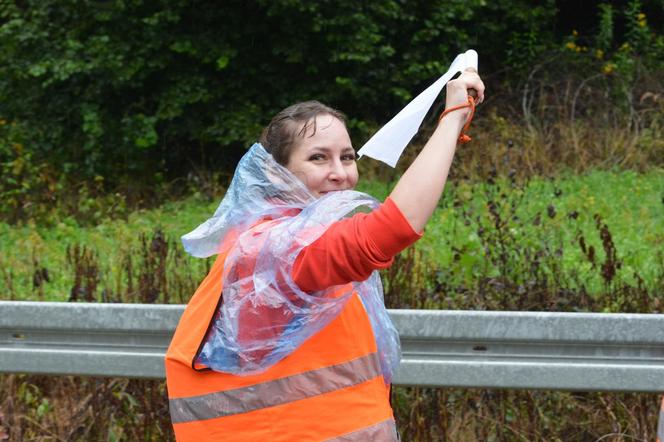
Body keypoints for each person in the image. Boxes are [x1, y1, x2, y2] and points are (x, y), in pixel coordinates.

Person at [165, 69, 485, 441]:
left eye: (347, 158)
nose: (340, 174)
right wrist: (452, 119)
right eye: (319, 158)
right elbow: (393, 228)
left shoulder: (291, 241)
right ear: (275, 174)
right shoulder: (276, 251)